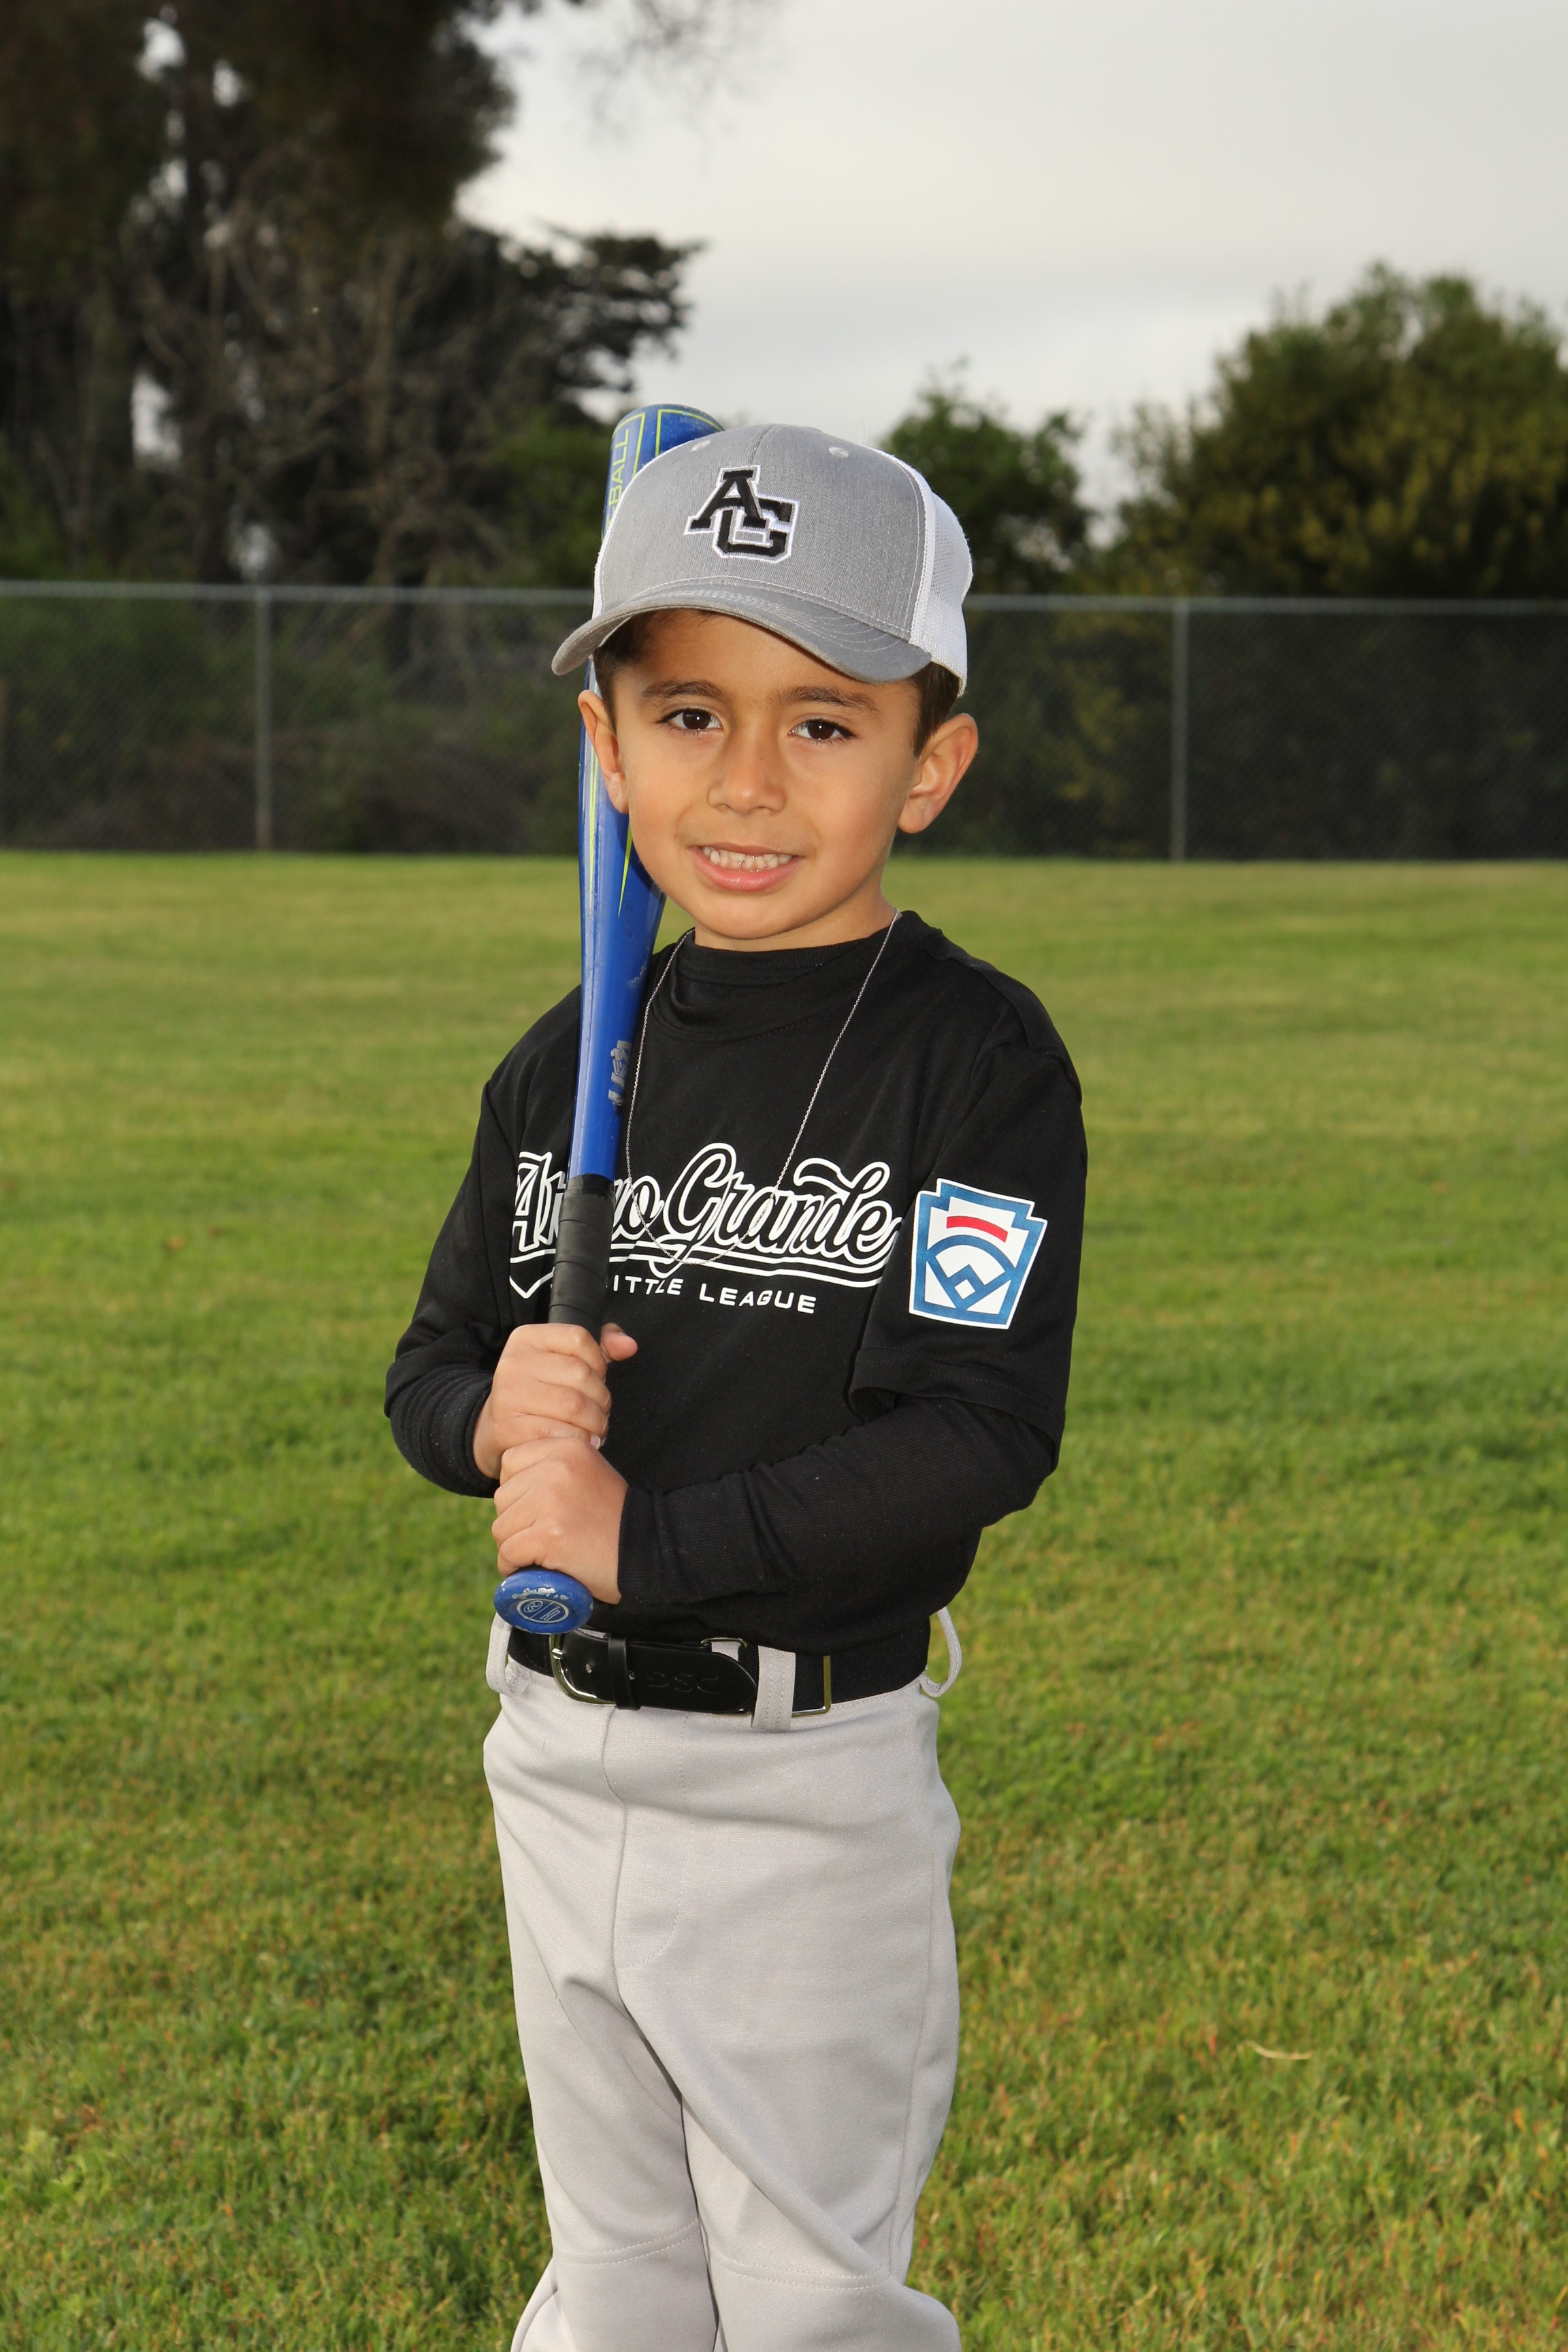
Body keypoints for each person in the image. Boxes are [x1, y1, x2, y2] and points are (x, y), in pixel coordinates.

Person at [385, 425, 1086, 2352]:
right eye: (688, 713)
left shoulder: (974, 1062)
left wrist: (649, 1540)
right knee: (615, 2280)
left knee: (804, 2300)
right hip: (555, 1753)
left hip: (805, 1785)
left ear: (931, 763)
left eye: (824, 722)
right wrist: (491, 1417)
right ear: (606, 749)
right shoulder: (564, 1064)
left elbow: (975, 1433)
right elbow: (432, 1364)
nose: (749, 780)